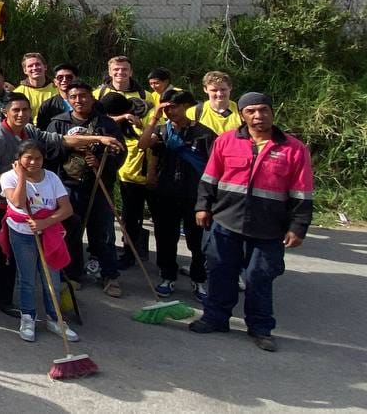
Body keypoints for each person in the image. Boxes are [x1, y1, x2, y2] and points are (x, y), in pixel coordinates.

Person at [191, 92, 314, 352]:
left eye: (264, 110)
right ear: (243, 115)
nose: (258, 116)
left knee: (259, 277)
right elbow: (209, 178)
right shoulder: (226, 141)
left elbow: (302, 192)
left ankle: (260, 328)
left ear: (272, 112)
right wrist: (203, 207)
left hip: (268, 227)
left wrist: (298, 226)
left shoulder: (294, 149)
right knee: (220, 270)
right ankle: (215, 318)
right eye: (252, 112)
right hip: (226, 220)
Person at [0, 93, 122, 316]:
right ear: (5, 113)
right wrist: (18, 182)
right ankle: (1, 298)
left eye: (25, 110)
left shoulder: (31, 132)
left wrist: (97, 139)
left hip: (36, 205)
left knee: (71, 223)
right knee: (3, 255)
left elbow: (62, 140)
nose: (21, 114)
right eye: (15, 110)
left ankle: (61, 279)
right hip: (2, 204)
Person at [45, 84, 125, 296]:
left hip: (99, 186)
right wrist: (68, 149)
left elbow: (120, 153)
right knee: (70, 230)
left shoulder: (106, 125)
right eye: (73, 97)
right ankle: (71, 273)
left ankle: (110, 275)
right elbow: (49, 152)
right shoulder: (59, 123)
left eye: (83, 96)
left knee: (103, 232)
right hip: (67, 186)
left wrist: (100, 162)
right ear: (68, 100)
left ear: (92, 98)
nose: (78, 100)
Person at [137, 88, 216, 302]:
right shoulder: (162, 131)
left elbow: (213, 167)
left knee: (197, 240)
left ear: (185, 107)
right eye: (167, 108)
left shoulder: (204, 133)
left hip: (195, 195)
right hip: (165, 193)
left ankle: (199, 279)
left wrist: (209, 199)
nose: (171, 112)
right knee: (165, 237)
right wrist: (154, 118)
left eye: (175, 107)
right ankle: (167, 276)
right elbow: (142, 145)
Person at [0, 140, 79, 344]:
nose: (33, 162)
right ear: (19, 160)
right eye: (28, 158)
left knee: (51, 278)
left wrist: (45, 222)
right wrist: (22, 177)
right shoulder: (8, 177)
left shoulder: (51, 178)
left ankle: (55, 318)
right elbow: (17, 202)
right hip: (21, 233)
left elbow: (66, 208)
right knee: (26, 278)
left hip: (48, 233)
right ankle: (28, 317)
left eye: (38, 158)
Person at [101, 90, 152, 272]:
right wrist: (122, 118)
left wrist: (132, 120)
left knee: (140, 219)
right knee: (130, 218)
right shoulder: (117, 123)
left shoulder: (144, 120)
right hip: (127, 176)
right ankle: (129, 254)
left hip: (149, 177)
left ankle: (140, 253)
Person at [188, 70, 242, 135]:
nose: (219, 94)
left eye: (223, 89)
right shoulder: (194, 112)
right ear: (205, 89)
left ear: (230, 88)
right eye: (214, 90)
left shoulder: (241, 111)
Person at [13, 53, 55, 122]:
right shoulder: (18, 93)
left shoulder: (57, 88)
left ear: (45, 67)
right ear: (25, 71)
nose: (34, 68)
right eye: (30, 66)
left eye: (37, 64)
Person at [35, 63, 78, 129]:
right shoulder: (48, 105)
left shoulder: (88, 102)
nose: (64, 80)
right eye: (60, 78)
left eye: (69, 77)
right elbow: (41, 131)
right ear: (55, 82)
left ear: (76, 79)